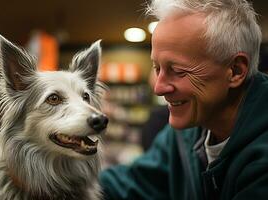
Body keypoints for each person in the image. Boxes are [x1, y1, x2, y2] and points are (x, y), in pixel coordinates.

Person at [99, 0, 268, 199]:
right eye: (157, 68)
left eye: (177, 71)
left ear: (236, 71)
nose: (158, 88)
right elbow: (137, 182)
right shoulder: (187, 131)